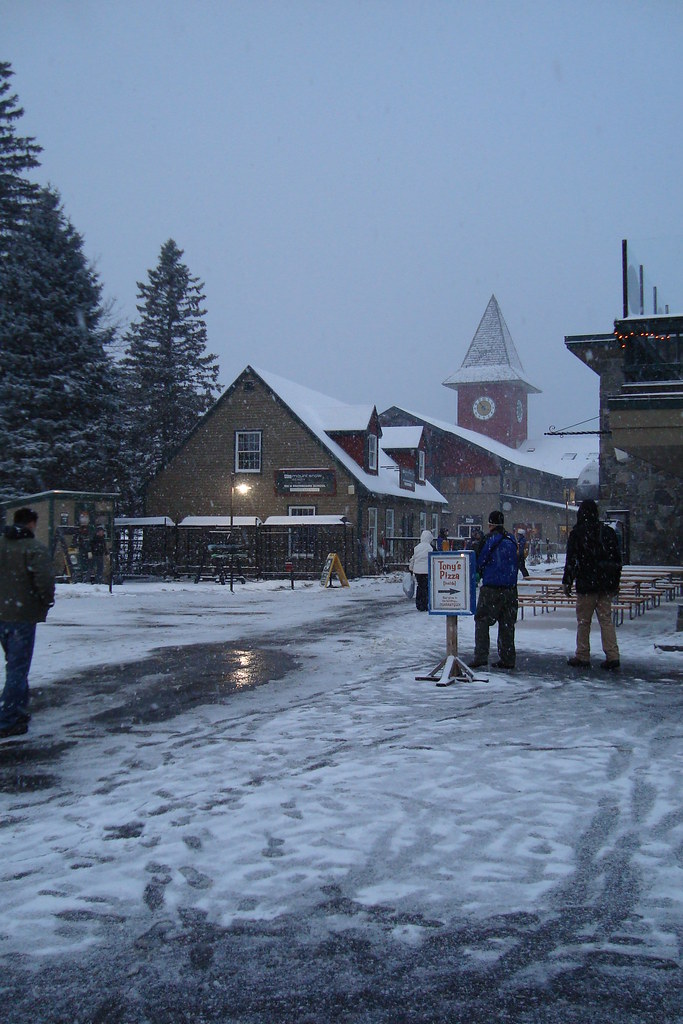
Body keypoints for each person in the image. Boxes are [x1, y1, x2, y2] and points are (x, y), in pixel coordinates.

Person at [0, 508, 55, 738]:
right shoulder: (34, 549)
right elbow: (44, 580)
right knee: (18, 667)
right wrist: (45, 600)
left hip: (2, 613)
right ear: (32, 523)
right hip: (21, 615)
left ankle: (18, 709)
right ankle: (9, 717)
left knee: (14, 663)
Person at [562, 499, 622, 671]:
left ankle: (582, 655)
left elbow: (571, 560)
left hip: (587, 584)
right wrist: (614, 582)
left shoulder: (577, 534)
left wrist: (567, 581)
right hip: (605, 584)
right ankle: (612, 655)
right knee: (606, 620)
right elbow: (617, 560)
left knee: (583, 621)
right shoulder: (608, 532)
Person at [470, 510, 519, 670]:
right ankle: (508, 657)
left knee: (482, 620)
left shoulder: (489, 540)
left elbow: (480, 560)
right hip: (511, 588)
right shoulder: (511, 539)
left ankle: (481, 656)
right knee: (507, 623)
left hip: (492, 587)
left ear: (491, 524)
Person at [408, 529, 434, 612]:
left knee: (419, 587)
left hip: (418, 571)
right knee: (426, 588)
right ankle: (425, 604)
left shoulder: (417, 548)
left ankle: (419, 604)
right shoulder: (431, 548)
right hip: (427, 571)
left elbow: (413, 558)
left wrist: (411, 568)